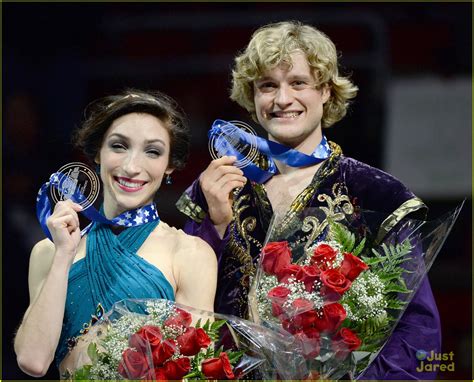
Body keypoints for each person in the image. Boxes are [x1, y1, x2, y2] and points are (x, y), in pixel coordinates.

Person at [177, 21, 441, 379]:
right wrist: (217, 226)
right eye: (267, 85)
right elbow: (186, 310)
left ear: (327, 92)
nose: (282, 99)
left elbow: (417, 332)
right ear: (251, 96)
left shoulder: (377, 194)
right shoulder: (217, 188)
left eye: (298, 83)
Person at [14, 89, 217, 378]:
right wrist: (64, 255)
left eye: (153, 151)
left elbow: (196, 372)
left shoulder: (190, 254)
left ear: (170, 165)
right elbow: (33, 361)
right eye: (119, 146)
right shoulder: (48, 252)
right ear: (97, 152)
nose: (132, 167)